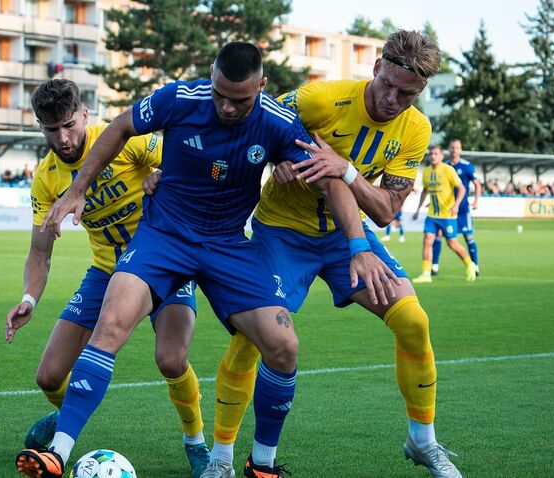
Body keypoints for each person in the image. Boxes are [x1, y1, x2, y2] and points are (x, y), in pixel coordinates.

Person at [23, 42, 384, 478]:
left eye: (240, 100)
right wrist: (78, 189)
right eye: (219, 95)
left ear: (262, 86)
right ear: (211, 77)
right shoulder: (179, 98)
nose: (227, 108)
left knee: (284, 346)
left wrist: (358, 245)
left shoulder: (279, 121)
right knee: (111, 325)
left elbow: (329, 179)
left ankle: (263, 464)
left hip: (228, 244)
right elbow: (120, 127)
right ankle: (58, 453)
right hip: (164, 237)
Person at [196, 30, 464, 478]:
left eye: (408, 94)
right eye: (388, 85)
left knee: (414, 320)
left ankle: (423, 441)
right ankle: (221, 458)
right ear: (376, 67)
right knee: (251, 338)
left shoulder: (417, 129)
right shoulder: (319, 99)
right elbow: (255, 120)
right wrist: (277, 157)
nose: (393, 100)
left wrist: (348, 171)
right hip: (281, 232)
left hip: (346, 236)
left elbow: (385, 211)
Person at [6, 79, 213, 478]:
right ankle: (67, 418)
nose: (63, 139)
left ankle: (196, 442)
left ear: (85, 115)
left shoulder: (125, 139)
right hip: (106, 271)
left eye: (69, 125)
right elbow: (39, 253)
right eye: (51, 130)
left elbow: (186, 158)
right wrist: (29, 299)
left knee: (172, 360)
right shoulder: (47, 178)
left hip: (165, 263)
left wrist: (162, 175)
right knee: (49, 377)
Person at [412, 145, 476, 283]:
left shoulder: (448, 170)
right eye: (431, 154)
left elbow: (462, 189)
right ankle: (426, 274)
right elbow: (425, 191)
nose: (433, 156)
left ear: (441, 156)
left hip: (447, 215)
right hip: (432, 215)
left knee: (452, 244)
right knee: (427, 241)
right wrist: (418, 209)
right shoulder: (426, 171)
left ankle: (470, 264)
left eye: (436, 154)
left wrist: (456, 205)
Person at [431, 139, 480, 276]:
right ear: (449, 149)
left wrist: (476, 201)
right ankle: (434, 266)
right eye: (452, 147)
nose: (454, 150)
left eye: (457, 147)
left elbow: (477, 185)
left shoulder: (467, 166)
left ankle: (475, 266)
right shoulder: (443, 166)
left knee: (468, 237)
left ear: (461, 150)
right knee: (438, 235)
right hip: (446, 210)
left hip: (462, 210)